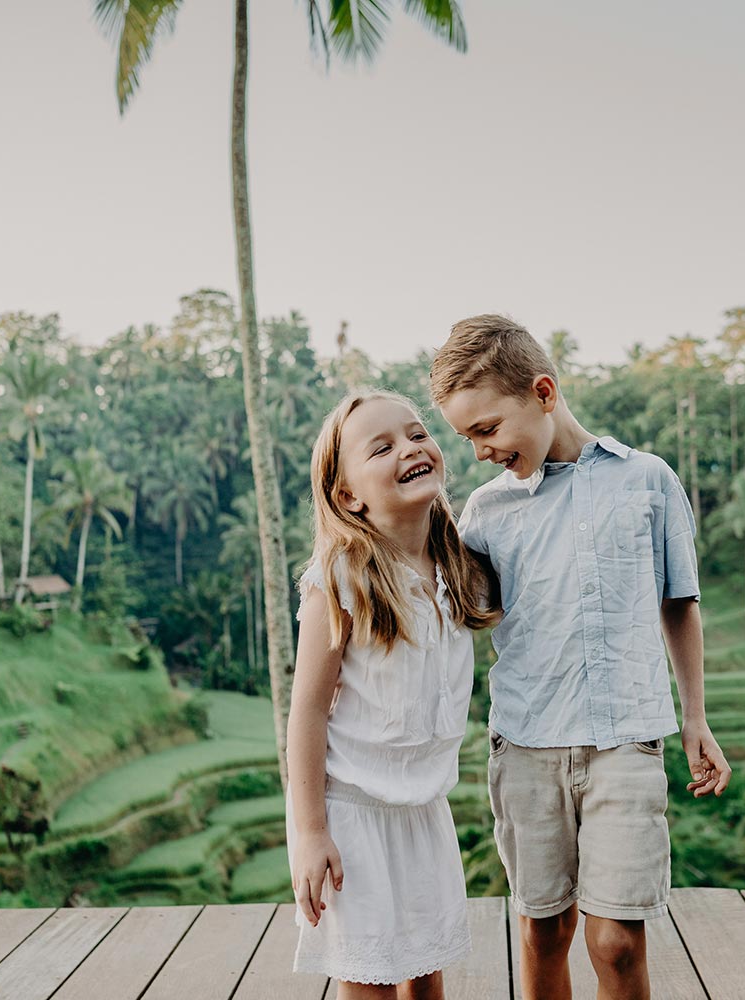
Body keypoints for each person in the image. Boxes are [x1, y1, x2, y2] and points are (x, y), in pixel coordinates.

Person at [429, 314, 732, 1000]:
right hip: (527, 743)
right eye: (466, 436)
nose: (479, 450)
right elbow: (462, 614)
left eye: (486, 430)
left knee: (616, 940)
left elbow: (678, 603)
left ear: (543, 392)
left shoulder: (648, 481)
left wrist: (696, 718)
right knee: (544, 931)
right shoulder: (484, 512)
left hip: (626, 737)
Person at [286, 389, 499, 998]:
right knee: (370, 978)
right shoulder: (341, 577)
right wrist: (310, 832)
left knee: (426, 973)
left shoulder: (460, 566)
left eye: (416, 434)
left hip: (422, 807)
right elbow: (307, 710)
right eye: (382, 447)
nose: (409, 448)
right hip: (350, 810)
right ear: (348, 494)